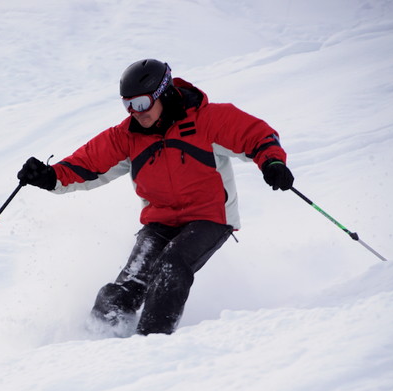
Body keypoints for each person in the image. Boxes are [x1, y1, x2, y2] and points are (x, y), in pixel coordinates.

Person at [17, 59, 294, 335]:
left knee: (171, 264)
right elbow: (86, 164)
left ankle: (152, 343)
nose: (136, 113)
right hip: (160, 220)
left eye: (141, 104)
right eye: (128, 105)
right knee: (129, 283)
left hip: (209, 217)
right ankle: (96, 338)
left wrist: (272, 163)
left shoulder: (207, 119)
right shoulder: (126, 136)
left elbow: (257, 136)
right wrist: (49, 176)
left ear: (162, 92)